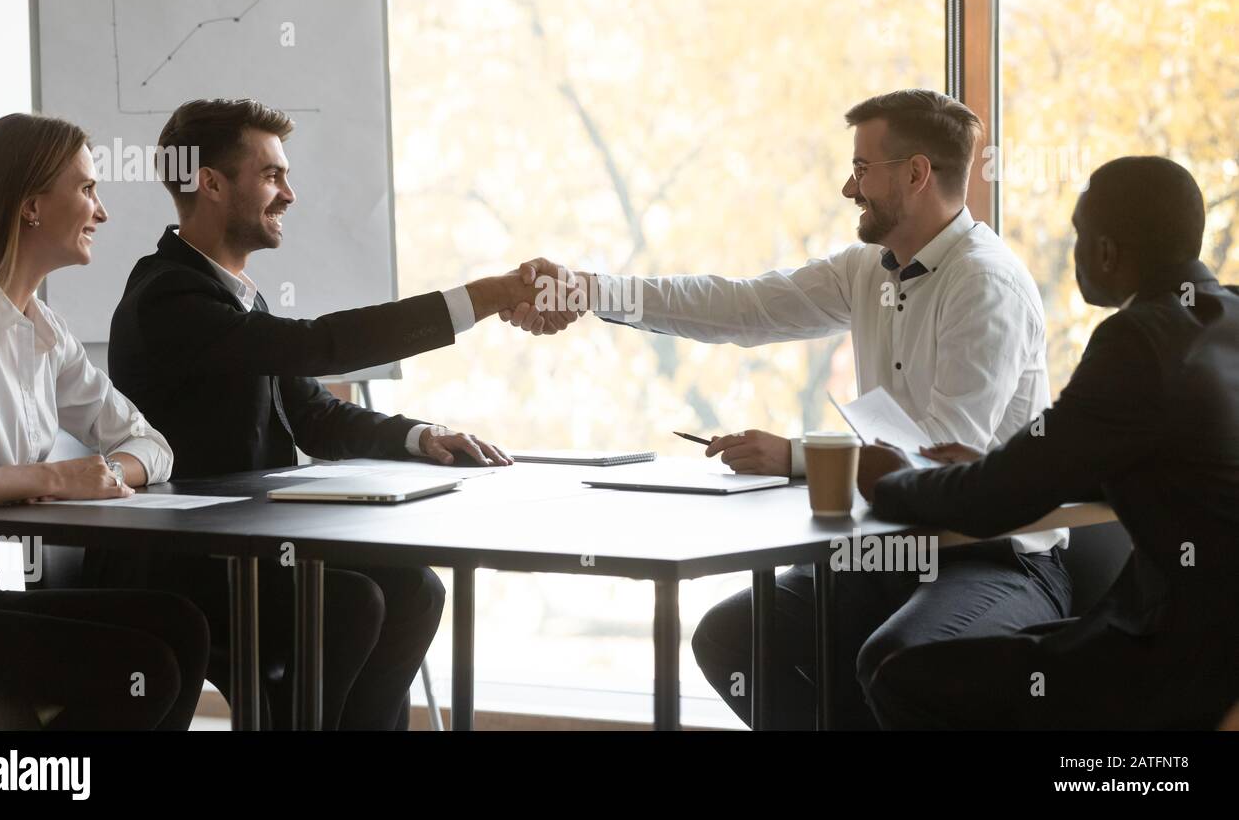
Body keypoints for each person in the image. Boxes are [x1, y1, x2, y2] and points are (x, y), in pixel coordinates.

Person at [504, 89, 1071, 729]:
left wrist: (795, 456)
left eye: (862, 169)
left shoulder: (985, 282)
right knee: (731, 636)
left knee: (899, 660)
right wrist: (587, 291)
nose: (847, 188)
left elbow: (941, 453)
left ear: (916, 174)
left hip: (995, 557)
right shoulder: (865, 270)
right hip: (887, 550)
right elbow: (738, 307)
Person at [88, 97, 557, 729]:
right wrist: (488, 296)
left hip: (250, 552)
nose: (290, 194)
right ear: (212, 183)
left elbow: (314, 416)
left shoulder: (232, 299)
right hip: (185, 564)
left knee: (416, 588)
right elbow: (316, 346)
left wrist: (423, 437)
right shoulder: (168, 297)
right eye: (273, 175)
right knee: (350, 601)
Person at [858, 156, 1239, 729]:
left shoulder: (1138, 340)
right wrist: (998, 463)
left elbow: (1003, 499)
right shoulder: (1225, 315)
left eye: (1080, 235)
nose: (1076, 251)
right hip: (1210, 646)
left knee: (903, 677)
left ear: (1107, 251)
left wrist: (893, 481)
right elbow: (1166, 458)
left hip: (1176, 663)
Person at [0, 113, 209, 730]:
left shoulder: (43, 329)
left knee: (180, 624)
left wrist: (106, 470)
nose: (102, 211)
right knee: (143, 667)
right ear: (31, 205)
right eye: (87, 189)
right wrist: (55, 478)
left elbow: (152, 445)